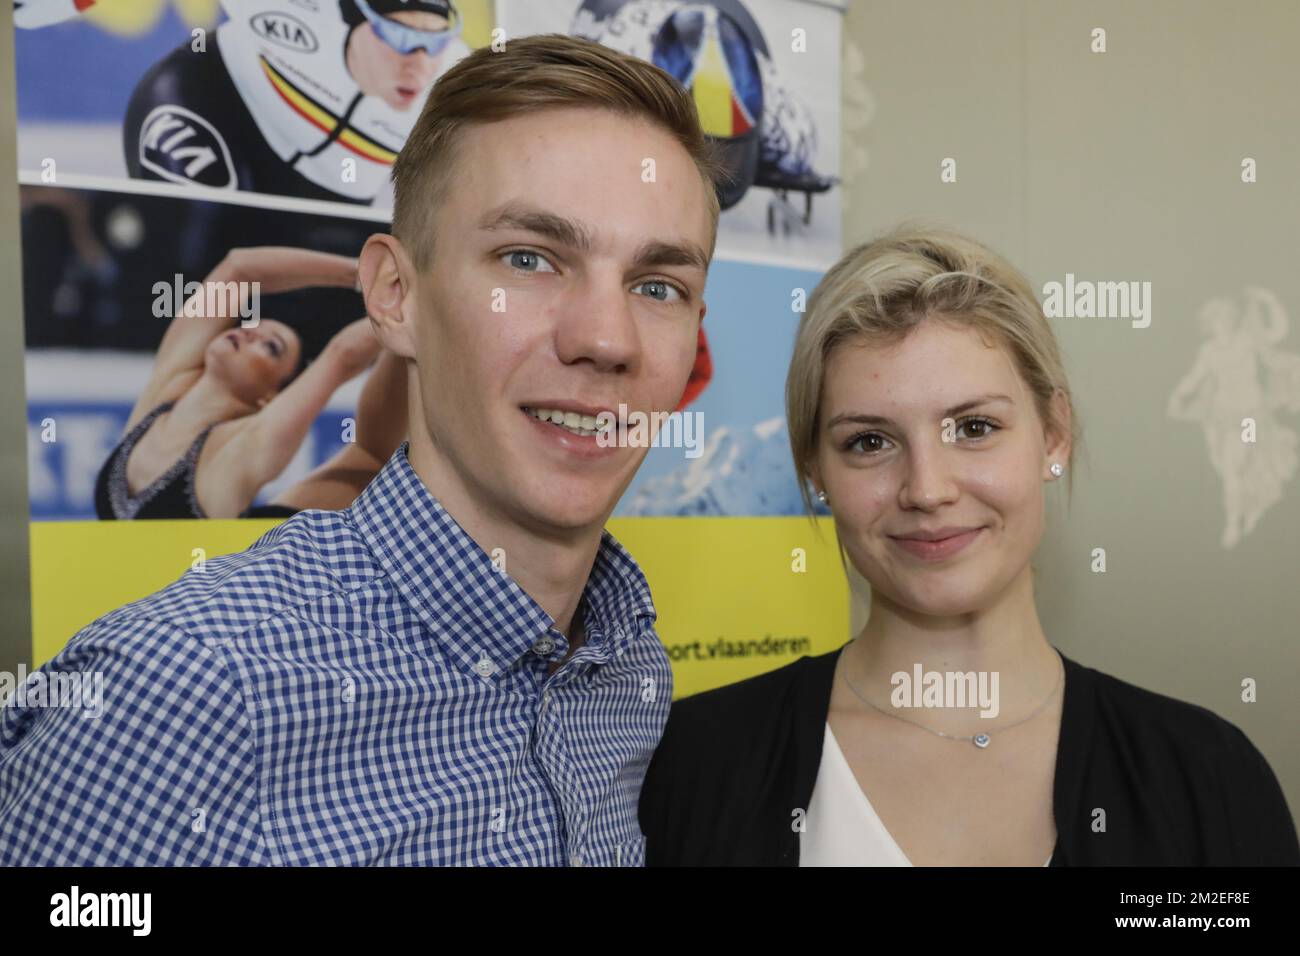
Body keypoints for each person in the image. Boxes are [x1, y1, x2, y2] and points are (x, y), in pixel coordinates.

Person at [0, 33, 722, 865]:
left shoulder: (626, 664)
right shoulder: (175, 694)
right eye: (528, 259)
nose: (607, 339)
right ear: (393, 295)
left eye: (658, 285)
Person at [638, 224, 1300, 866]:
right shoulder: (699, 764)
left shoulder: (1207, 781)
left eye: (974, 427)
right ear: (815, 470)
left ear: (1054, 435)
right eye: (869, 442)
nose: (927, 489)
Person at [92, 245, 393, 520]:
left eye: (271, 347)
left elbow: (342, 356)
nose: (251, 333)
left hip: (221, 571)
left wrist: (404, 301)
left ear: (270, 397)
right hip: (124, 577)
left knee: (367, 459)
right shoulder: (166, 391)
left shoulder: (238, 448)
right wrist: (360, 274)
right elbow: (238, 268)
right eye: (252, 324)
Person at [123, 0, 468, 202]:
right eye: (399, 35)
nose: (420, 64)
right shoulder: (299, 11)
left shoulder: (454, 76)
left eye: (436, 41)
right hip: (213, 105)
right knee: (194, 250)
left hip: (325, 187)